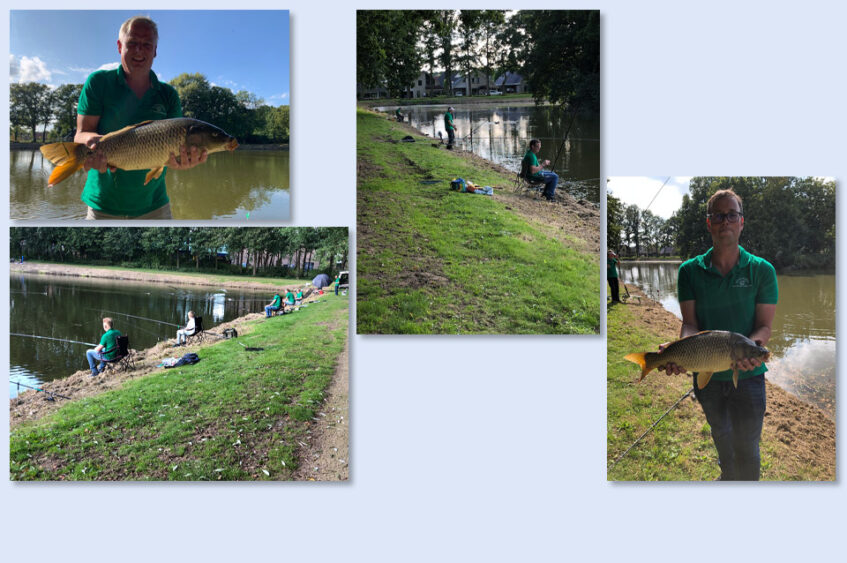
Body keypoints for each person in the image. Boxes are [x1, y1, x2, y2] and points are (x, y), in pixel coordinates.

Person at [659, 189, 778, 481]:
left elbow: (764, 326)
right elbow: (690, 324)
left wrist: (755, 348)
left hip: (749, 377)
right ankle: (728, 478)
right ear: (709, 222)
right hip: (706, 374)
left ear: (741, 222)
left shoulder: (762, 270)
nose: (725, 221)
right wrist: (678, 349)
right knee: (721, 434)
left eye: (732, 215)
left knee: (748, 444)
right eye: (718, 215)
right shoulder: (689, 270)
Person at [75, 16, 208, 220]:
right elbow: (81, 134)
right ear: (120, 46)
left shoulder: (168, 95)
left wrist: (183, 161)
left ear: (155, 50)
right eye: (132, 43)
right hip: (103, 204)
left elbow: (176, 150)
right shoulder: (98, 82)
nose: (139, 50)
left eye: (147, 44)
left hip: (154, 205)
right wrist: (92, 143)